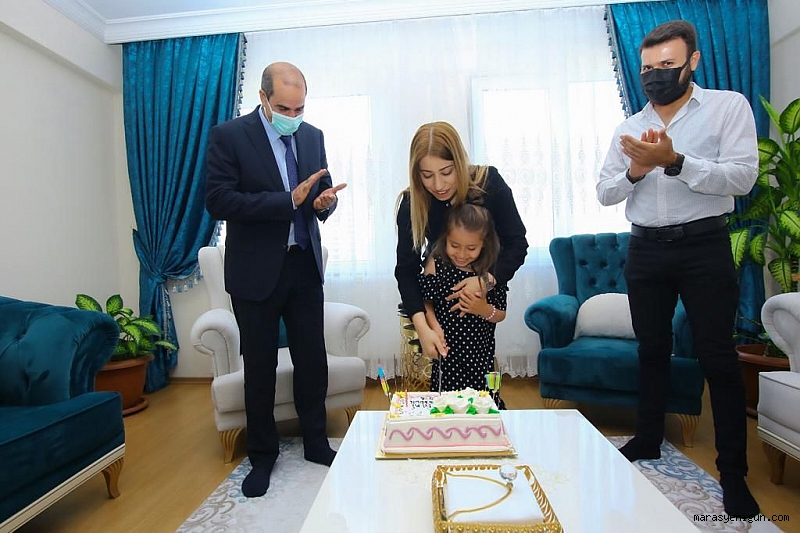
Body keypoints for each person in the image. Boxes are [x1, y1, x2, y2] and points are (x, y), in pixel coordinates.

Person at [597, 20, 759, 518]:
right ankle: (648, 438)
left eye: (667, 64)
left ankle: (733, 475)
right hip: (645, 249)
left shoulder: (728, 106)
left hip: (704, 246)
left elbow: (742, 177)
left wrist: (676, 160)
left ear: (693, 62)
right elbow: (605, 192)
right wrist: (635, 171)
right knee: (651, 349)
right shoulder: (628, 127)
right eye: (648, 68)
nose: (656, 75)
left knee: (718, 359)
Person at [205, 62, 346, 498]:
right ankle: (262, 456)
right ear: (263, 98)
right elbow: (219, 200)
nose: (293, 115)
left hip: (303, 265)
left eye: (300, 107)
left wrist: (322, 204)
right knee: (260, 367)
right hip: (255, 271)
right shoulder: (229, 136)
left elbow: (319, 198)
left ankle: (316, 442)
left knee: (312, 360)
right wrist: (287, 200)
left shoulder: (312, 136)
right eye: (284, 108)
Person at [395, 121, 528, 366]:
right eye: (427, 176)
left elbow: (517, 244)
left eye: (446, 172)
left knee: (478, 373)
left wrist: (485, 281)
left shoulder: (489, 182)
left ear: (459, 161)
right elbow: (406, 270)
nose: (438, 185)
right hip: (436, 306)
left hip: (482, 300)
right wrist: (423, 327)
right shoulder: (411, 203)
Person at [420, 203, 507, 393]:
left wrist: (482, 309)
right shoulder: (437, 264)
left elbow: (501, 314)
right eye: (454, 246)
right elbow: (425, 303)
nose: (461, 254)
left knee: (482, 402)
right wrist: (434, 328)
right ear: (446, 238)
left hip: (480, 356)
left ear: (484, 244)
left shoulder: (488, 273)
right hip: (447, 353)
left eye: (471, 248)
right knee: (446, 402)